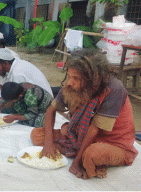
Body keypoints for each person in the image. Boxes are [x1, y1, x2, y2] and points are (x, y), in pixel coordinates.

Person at [30, 49, 138, 179]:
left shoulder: (114, 89)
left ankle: (83, 156)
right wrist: (48, 143)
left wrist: (77, 163)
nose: (70, 82)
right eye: (69, 76)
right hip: (80, 135)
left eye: (76, 78)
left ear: (94, 78)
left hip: (114, 144)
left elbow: (94, 130)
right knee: (37, 135)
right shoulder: (71, 86)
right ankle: (82, 154)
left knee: (92, 155)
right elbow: (50, 110)